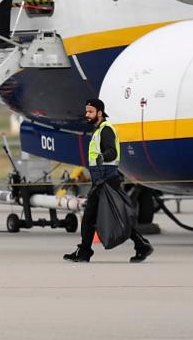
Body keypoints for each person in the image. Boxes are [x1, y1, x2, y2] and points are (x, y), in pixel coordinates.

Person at [64, 98, 153, 263]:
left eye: (90, 112)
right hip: (101, 179)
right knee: (113, 216)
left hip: (106, 179)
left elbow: (112, 151)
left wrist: (102, 157)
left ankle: (84, 252)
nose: (87, 114)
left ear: (99, 113)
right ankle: (141, 245)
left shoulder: (106, 130)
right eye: (86, 111)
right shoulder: (98, 130)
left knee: (91, 217)